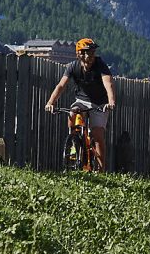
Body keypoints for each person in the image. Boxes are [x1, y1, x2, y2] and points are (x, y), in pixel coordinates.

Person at [44, 38, 117, 172]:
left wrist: (111, 101)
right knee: (73, 113)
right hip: (81, 100)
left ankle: (100, 170)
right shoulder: (72, 66)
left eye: (92, 52)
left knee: (97, 134)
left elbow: (108, 83)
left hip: (99, 102)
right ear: (79, 54)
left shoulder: (100, 65)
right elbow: (61, 85)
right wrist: (50, 102)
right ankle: (74, 143)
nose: (91, 55)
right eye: (87, 52)